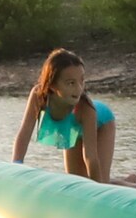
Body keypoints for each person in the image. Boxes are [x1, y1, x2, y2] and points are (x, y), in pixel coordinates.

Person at [12, 47, 123, 184]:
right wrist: (16, 164)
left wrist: (98, 191)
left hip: (102, 124)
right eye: (71, 83)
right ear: (52, 84)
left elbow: (90, 157)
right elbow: (24, 133)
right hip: (74, 129)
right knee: (76, 181)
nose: (78, 89)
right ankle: (131, 182)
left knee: (101, 180)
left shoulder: (86, 109)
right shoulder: (39, 96)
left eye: (81, 81)